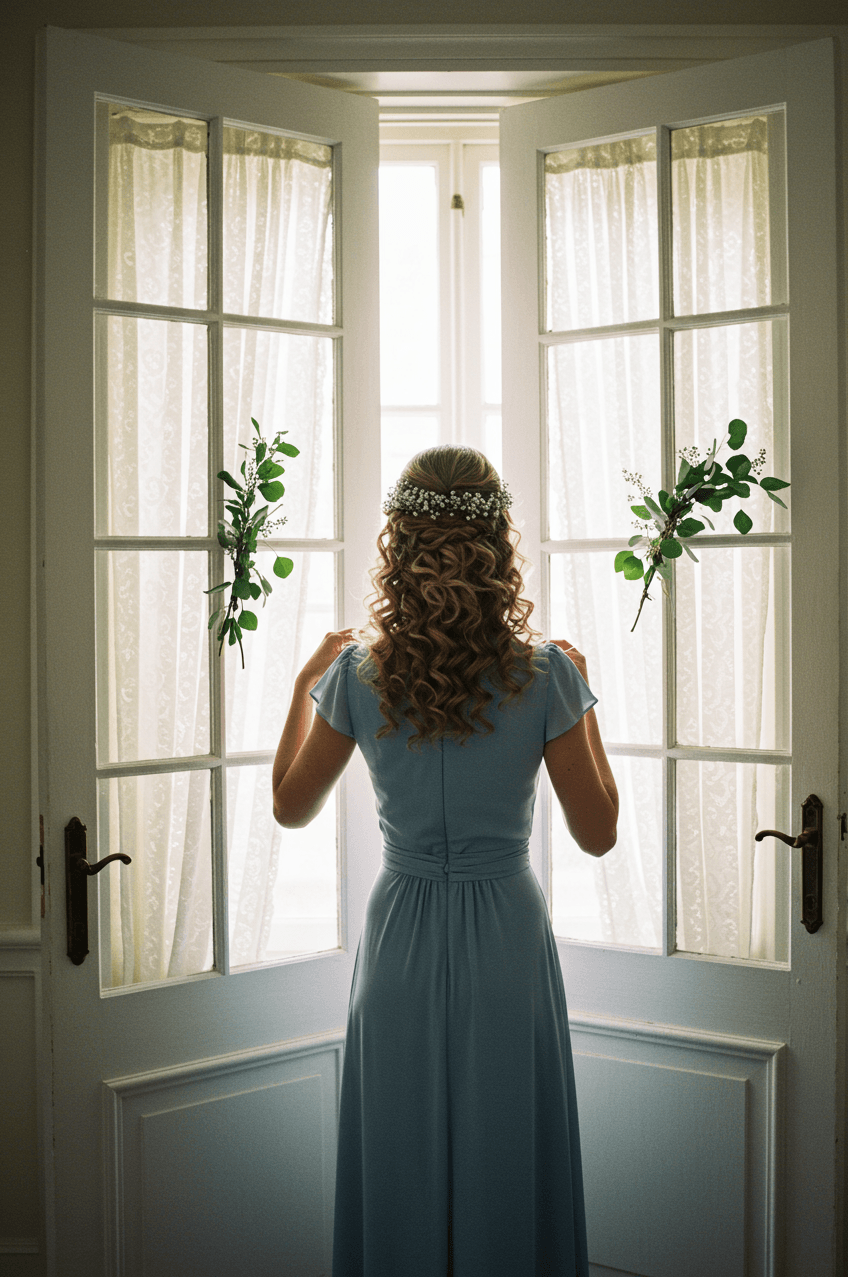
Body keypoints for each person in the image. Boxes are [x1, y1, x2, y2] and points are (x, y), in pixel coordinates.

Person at [272, 445, 618, 1276]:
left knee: (401, 1147)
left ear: (402, 544)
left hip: (401, 936)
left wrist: (300, 688)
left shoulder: (357, 674)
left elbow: (290, 806)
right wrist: (583, 688)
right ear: (499, 544)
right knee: (508, 1146)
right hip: (505, 935)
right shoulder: (543, 677)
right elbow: (597, 832)